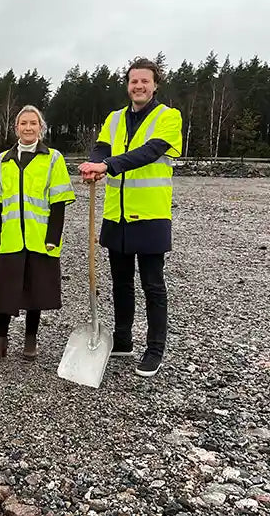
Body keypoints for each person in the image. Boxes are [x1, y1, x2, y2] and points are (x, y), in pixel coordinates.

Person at [78, 57, 183, 378]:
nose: (139, 86)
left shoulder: (169, 117)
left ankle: (155, 349)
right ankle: (123, 341)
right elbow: (101, 148)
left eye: (145, 81)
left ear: (155, 85)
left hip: (150, 213)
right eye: (133, 81)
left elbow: (149, 152)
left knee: (152, 284)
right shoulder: (114, 118)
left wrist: (107, 166)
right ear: (128, 85)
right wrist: (92, 163)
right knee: (121, 282)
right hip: (116, 213)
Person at [0, 105, 75, 362]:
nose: (28, 127)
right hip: (11, 236)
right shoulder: (3, 160)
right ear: (16, 128)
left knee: (36, 289)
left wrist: (53, 237)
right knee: (5, 290)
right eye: (23, 123)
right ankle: (0, 341)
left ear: (41, 127)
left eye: (33, 123)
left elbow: (58, 202)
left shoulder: (53, 159)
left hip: (40, 236)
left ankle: (30, 339)